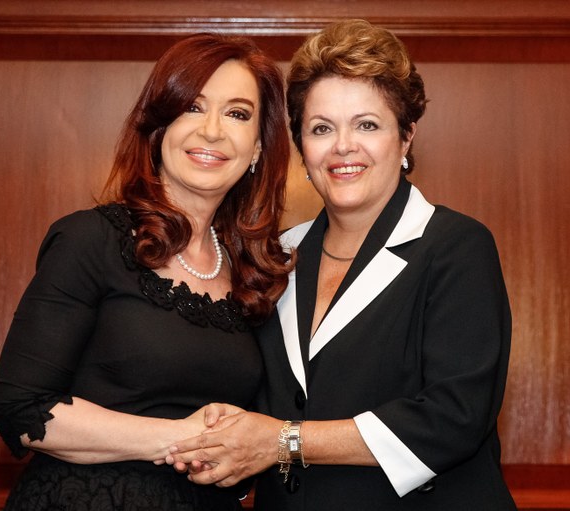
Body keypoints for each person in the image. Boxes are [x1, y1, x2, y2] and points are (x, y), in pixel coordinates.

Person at [167, 19, 517, 510]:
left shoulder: (454, 246)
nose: (342, 147)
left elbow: (453, 418)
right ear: (301, 147)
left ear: (407, 136)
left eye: (367, 125)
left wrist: (284, 440)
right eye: (321, 128)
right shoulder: (275, 255)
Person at [0, 32, 291, 511]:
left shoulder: (258, 274)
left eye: (237, 114)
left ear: (257, 148)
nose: (212, 130)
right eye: (192, 107)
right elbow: (23, 408)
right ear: (158, 129)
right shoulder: (91, 240)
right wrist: (179, 438)